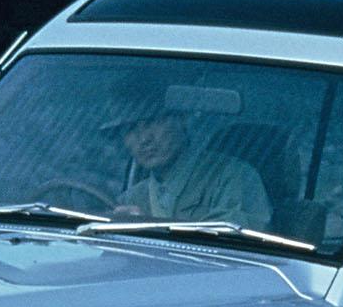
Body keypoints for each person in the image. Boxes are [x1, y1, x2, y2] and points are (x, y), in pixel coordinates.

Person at [102, 93, 272, 231]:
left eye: (154, 122)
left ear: (181, 120)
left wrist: (150, 230)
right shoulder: (132, 198)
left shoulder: (232, 177)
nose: (144, 139)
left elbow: (231, 248)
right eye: (131, 130)